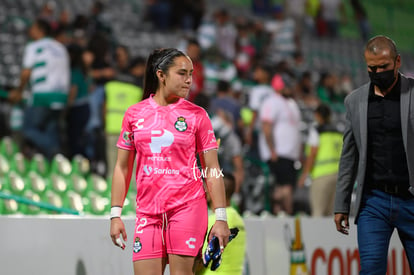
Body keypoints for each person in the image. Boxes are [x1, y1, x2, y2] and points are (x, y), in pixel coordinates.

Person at [109, 48, 230, 275]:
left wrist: (220, 218)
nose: (189, 80)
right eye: (182, 73)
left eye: (191, 74)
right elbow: (121, 167)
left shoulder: (198, 115)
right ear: (161, 75)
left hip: (187, 208)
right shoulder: (134, 114)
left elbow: (212, 169)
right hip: (147, 213)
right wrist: (115, 214)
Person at [334, 35, 414, 274]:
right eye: (372, 68)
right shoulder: (354, 101)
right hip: (373, 202)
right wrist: (341, 204)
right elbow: (349, 156)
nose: (378, 72)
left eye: (384, 67)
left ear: (397, 62)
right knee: (370, 270)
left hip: (411, 199)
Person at [8, 18, 70, 159]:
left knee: (28, 129)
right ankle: (54, 164)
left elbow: (26, 73)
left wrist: (19, 91)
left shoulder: (34, 46)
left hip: (42, 95)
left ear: (41, 30)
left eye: (33, 27)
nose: (30, 30)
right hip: (61, 97)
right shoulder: (61, 47)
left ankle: (55, 152)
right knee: (50, 131)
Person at [258, 74, 302, 215]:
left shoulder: (290, 103)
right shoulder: (272, 101)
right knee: (283, 187)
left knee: (287, 187)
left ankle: (284, 214)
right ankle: (283, 214)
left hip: (290, 154)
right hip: (279, 153)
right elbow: (266, 126)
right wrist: (272, 150)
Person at [196, 172, 246, 275]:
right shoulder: (237, 218)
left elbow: (203, 261)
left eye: (206, 185)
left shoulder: (216, 222)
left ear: (214, 190)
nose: (204, 189)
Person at [298, 104, 342, 216]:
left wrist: (304, 174)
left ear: (317, 115)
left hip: (321, 175)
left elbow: (312, 153)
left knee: (318, 212)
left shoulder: (316, 131)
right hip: (337, 176)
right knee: (332, 214)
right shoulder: (338, 132)